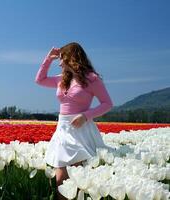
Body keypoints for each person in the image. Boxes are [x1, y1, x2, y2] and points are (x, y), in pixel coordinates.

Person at [35, 42, 114, 200]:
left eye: (62, 58)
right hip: (62, 130)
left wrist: (85, 116)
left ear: (72, 58)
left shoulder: (92, 79)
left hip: (80, 130)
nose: (59, 62)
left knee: (77, 182)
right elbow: (39, 80)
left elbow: (107, 104)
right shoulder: (62, 79)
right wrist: (48, 58)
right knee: (61, 183)